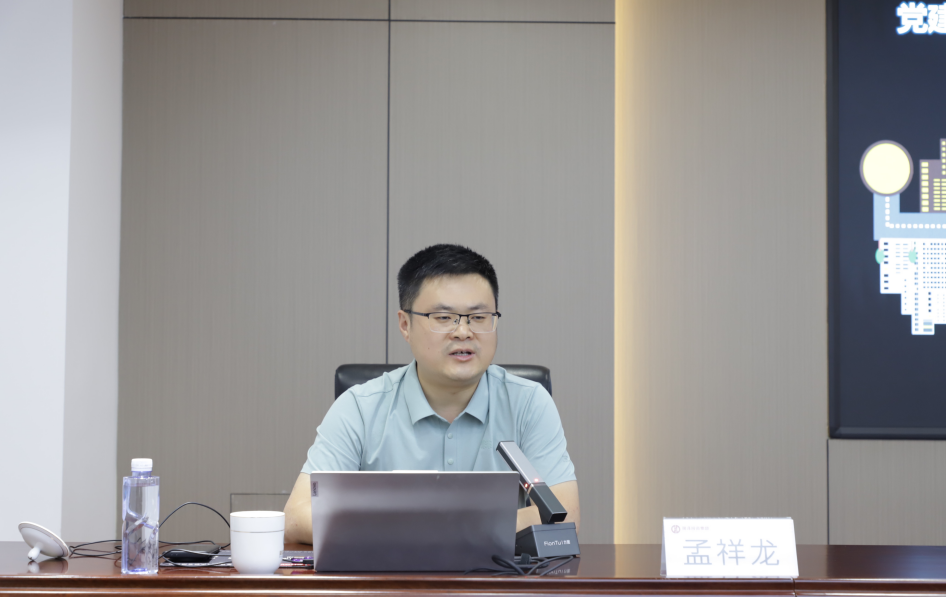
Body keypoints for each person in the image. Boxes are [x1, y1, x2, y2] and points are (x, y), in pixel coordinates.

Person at [283, 244, 579, 543]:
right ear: (405, 325)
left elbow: (563, 517)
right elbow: (297, 517)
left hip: (496, 575)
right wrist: (461, 527)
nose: (463, 332)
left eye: (479, 317)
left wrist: (416, 527)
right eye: (443, 317)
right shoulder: (359, 408)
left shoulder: (528, 403)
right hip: (390, 574)